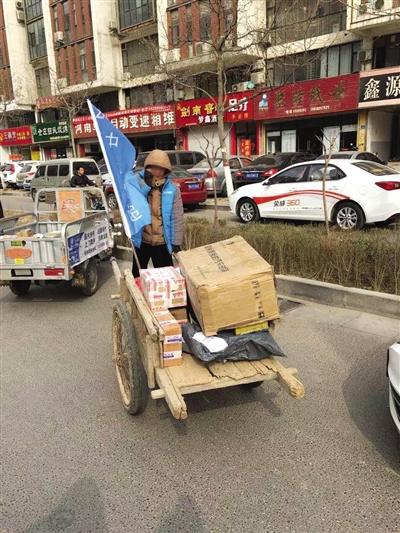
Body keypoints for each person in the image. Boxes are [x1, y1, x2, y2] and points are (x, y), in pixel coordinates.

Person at [131, 149, 184, 278]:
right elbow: (131, 201)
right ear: (148, 166)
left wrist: (176, 242)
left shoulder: (172, 189)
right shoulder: (137, 182)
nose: (158, 171)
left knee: (166, 278)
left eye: (161, 168)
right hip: (142, 240)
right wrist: (146, 185)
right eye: (154, 167)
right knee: (137, 278)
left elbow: (177, 217)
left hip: (162, 242)